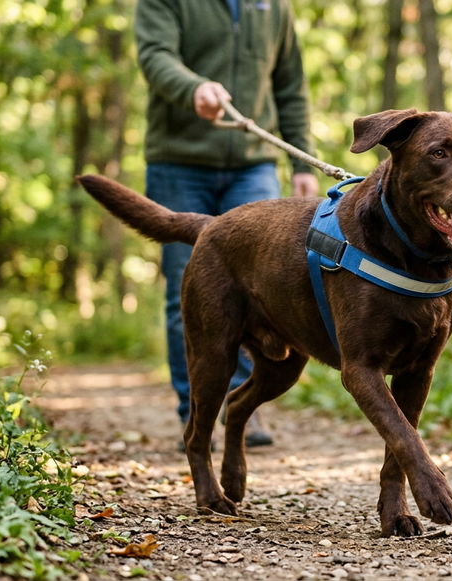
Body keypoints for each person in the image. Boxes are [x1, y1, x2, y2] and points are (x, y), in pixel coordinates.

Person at [135, 0, 319, 447]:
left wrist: (301, 158)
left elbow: (290, 83)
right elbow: (155, 56)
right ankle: (197, 412)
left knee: (263, 285)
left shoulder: (274, 7)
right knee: (192, 292)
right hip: (179, 162)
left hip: (252, 165)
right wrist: (193, 88)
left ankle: (242, 404)